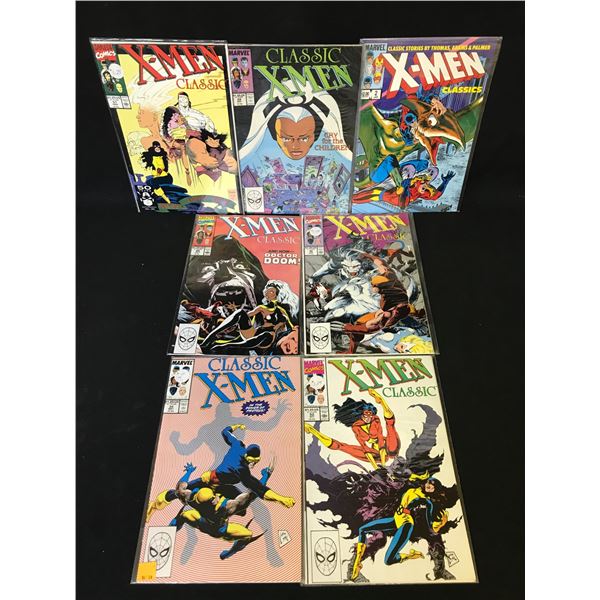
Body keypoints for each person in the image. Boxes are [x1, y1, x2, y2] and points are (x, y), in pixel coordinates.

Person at [304, 389, 400, 470]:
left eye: (370, 414)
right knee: (342, 447)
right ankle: (312, 430)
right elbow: (365, 448)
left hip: (387, 443)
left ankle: (381, 400)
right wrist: (377, 469)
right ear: (361, 414)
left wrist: (383, 466)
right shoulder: (356, 426)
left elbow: (381, 440)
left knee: (392, 451)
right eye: (365, 415)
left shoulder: (375, 420)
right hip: (374, 451)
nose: (368, 417)